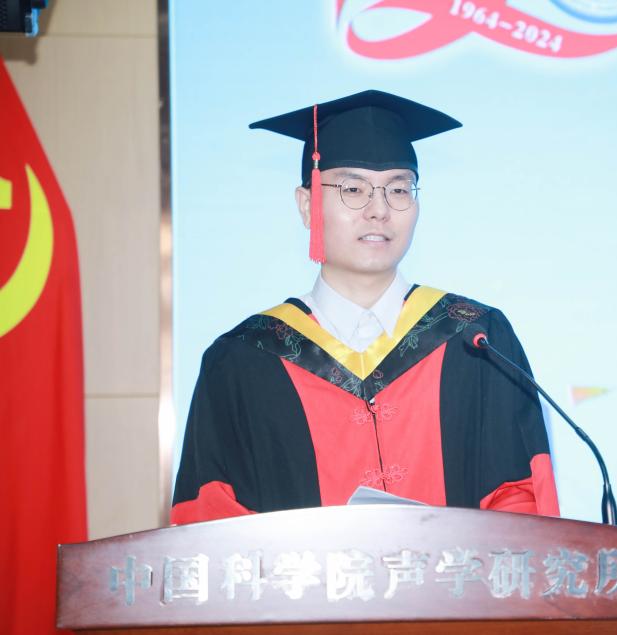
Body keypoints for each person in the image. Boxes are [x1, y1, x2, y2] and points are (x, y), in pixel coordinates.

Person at [171, 90, 559, 524]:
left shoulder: (477, 340)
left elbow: (524, 505)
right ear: (307, 205)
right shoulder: (243, 360)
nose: (379, 210)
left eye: (399, 189)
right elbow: (210, 522)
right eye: (353, 189)